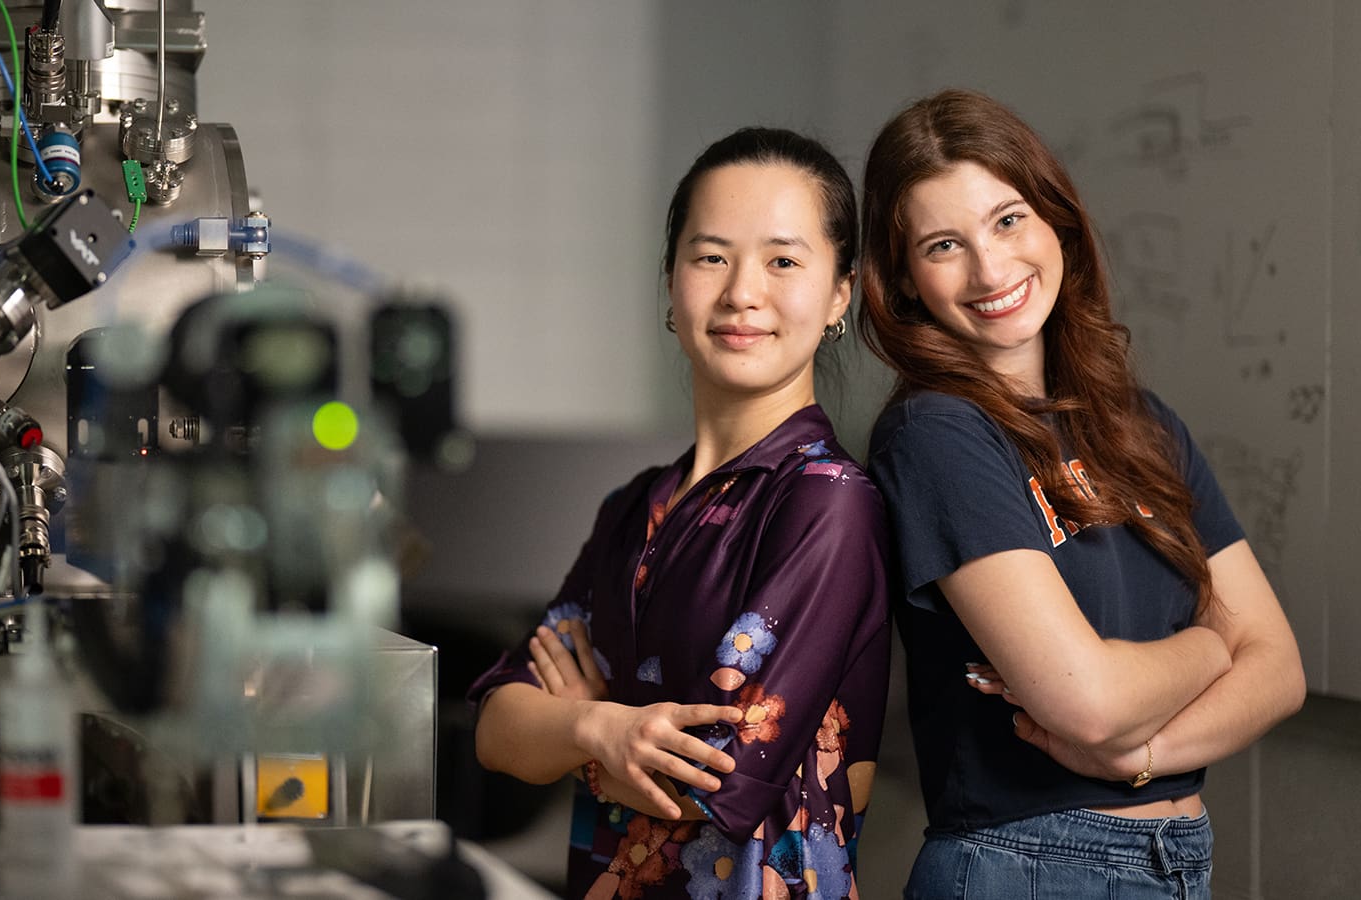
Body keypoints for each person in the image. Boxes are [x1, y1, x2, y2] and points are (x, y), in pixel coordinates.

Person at [856, 88, 1306, 899]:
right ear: (906, 280)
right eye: (944, 244)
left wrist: (1141, 757)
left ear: (1056, 221)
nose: (991, 269)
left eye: (1007, 220)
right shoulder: (937, 436)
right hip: (1027, 865)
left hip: (1177, 858)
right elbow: (1085, 703)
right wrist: (1210, 648)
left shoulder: (1139, 422)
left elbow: (1279, 671)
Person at [470, 127, 892, 899]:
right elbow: (496, 730)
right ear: (670, 280)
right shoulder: (634, 506)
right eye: (711, 256)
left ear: (840, 294)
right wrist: (599, 730)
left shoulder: (827, 504)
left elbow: (712, 781)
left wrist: (570, 726)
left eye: (784, 260)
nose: (742, 293)